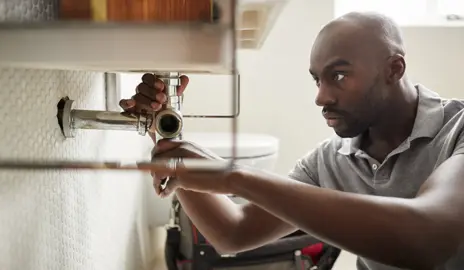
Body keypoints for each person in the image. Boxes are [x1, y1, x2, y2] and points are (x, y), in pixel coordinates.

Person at [120, 11, 464, 270]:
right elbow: (233, 233)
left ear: (394, 69)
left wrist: (232, 175)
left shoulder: (458, 130)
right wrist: (168, 132)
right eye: (317, 80)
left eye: (339, 76)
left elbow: (428, 238)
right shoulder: (331, 161)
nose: (321, 97)